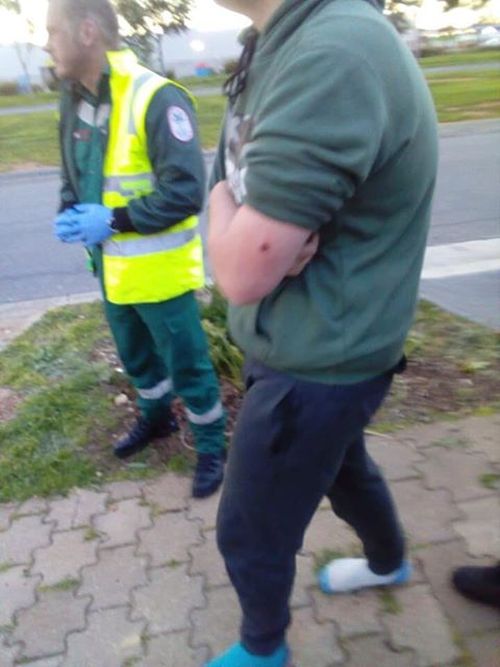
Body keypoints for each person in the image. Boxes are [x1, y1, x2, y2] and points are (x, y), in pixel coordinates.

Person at [207, 0, 438, 664]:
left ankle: (262, 648)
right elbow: (228, 181)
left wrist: (227, 216)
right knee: (343, 467)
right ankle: (389, 560)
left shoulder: (331, 55)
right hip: (321, 342)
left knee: (251, 526)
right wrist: (233, 212)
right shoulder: (279, 40)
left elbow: (239, 269)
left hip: (317, 360)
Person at [46, 0, 226, 499]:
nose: (47, 44)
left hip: (159, 273)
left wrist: (113, 220)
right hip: (110, 267)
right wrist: (69, 207)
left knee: (186, 362)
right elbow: (74, 168)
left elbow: (186, 193)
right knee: (137, 358)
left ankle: (212, 444)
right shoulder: (73, 96)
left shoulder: (157, 97)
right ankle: (157, 419)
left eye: (52, 32)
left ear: (86, 32)